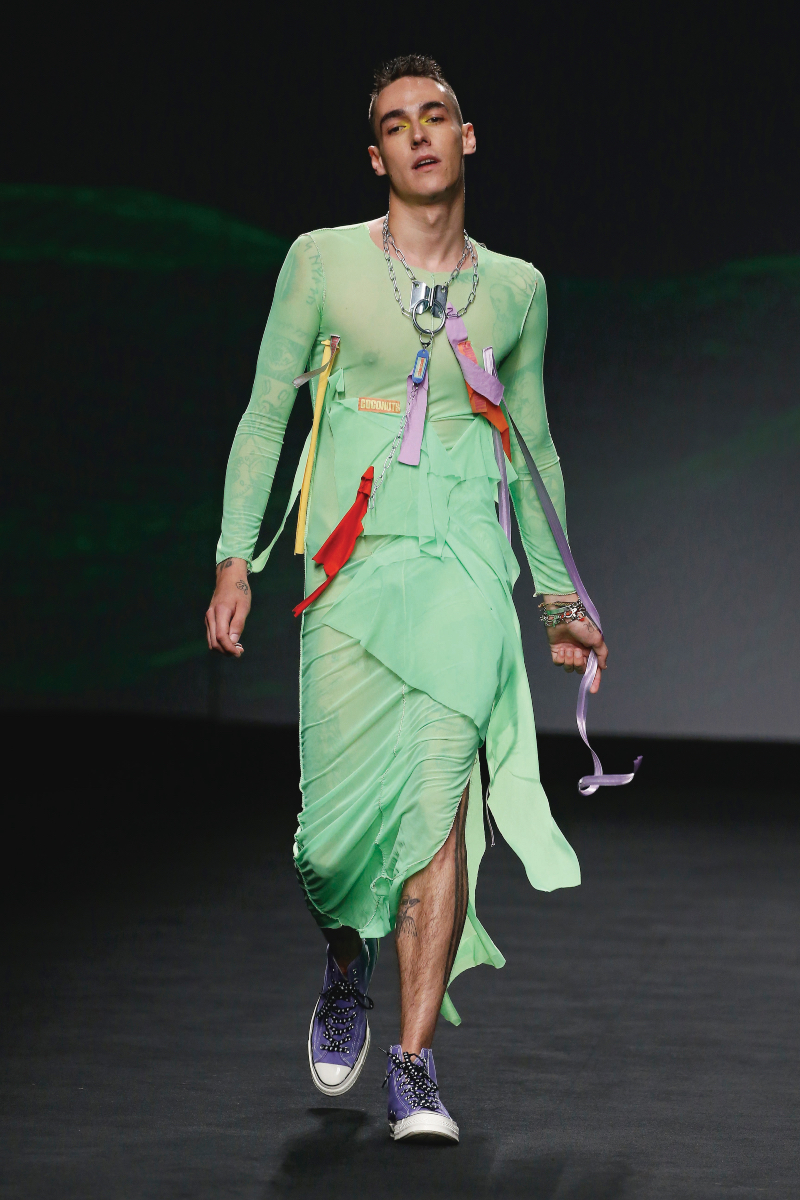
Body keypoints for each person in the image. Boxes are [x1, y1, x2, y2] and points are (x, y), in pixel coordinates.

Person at [206, 54, 608, 1144]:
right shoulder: (321, 262)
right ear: (376, 154)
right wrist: (235, 558)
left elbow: (530, 447)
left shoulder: (516, 288)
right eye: (397, 123)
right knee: (329, 843)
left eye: (437, 116)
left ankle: (415, 1066)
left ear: (465, 138)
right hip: (347, 569)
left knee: (439, 805)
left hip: (462, 567)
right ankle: (346, 964)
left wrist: (557, 598)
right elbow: (265, 414)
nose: (420, 134)